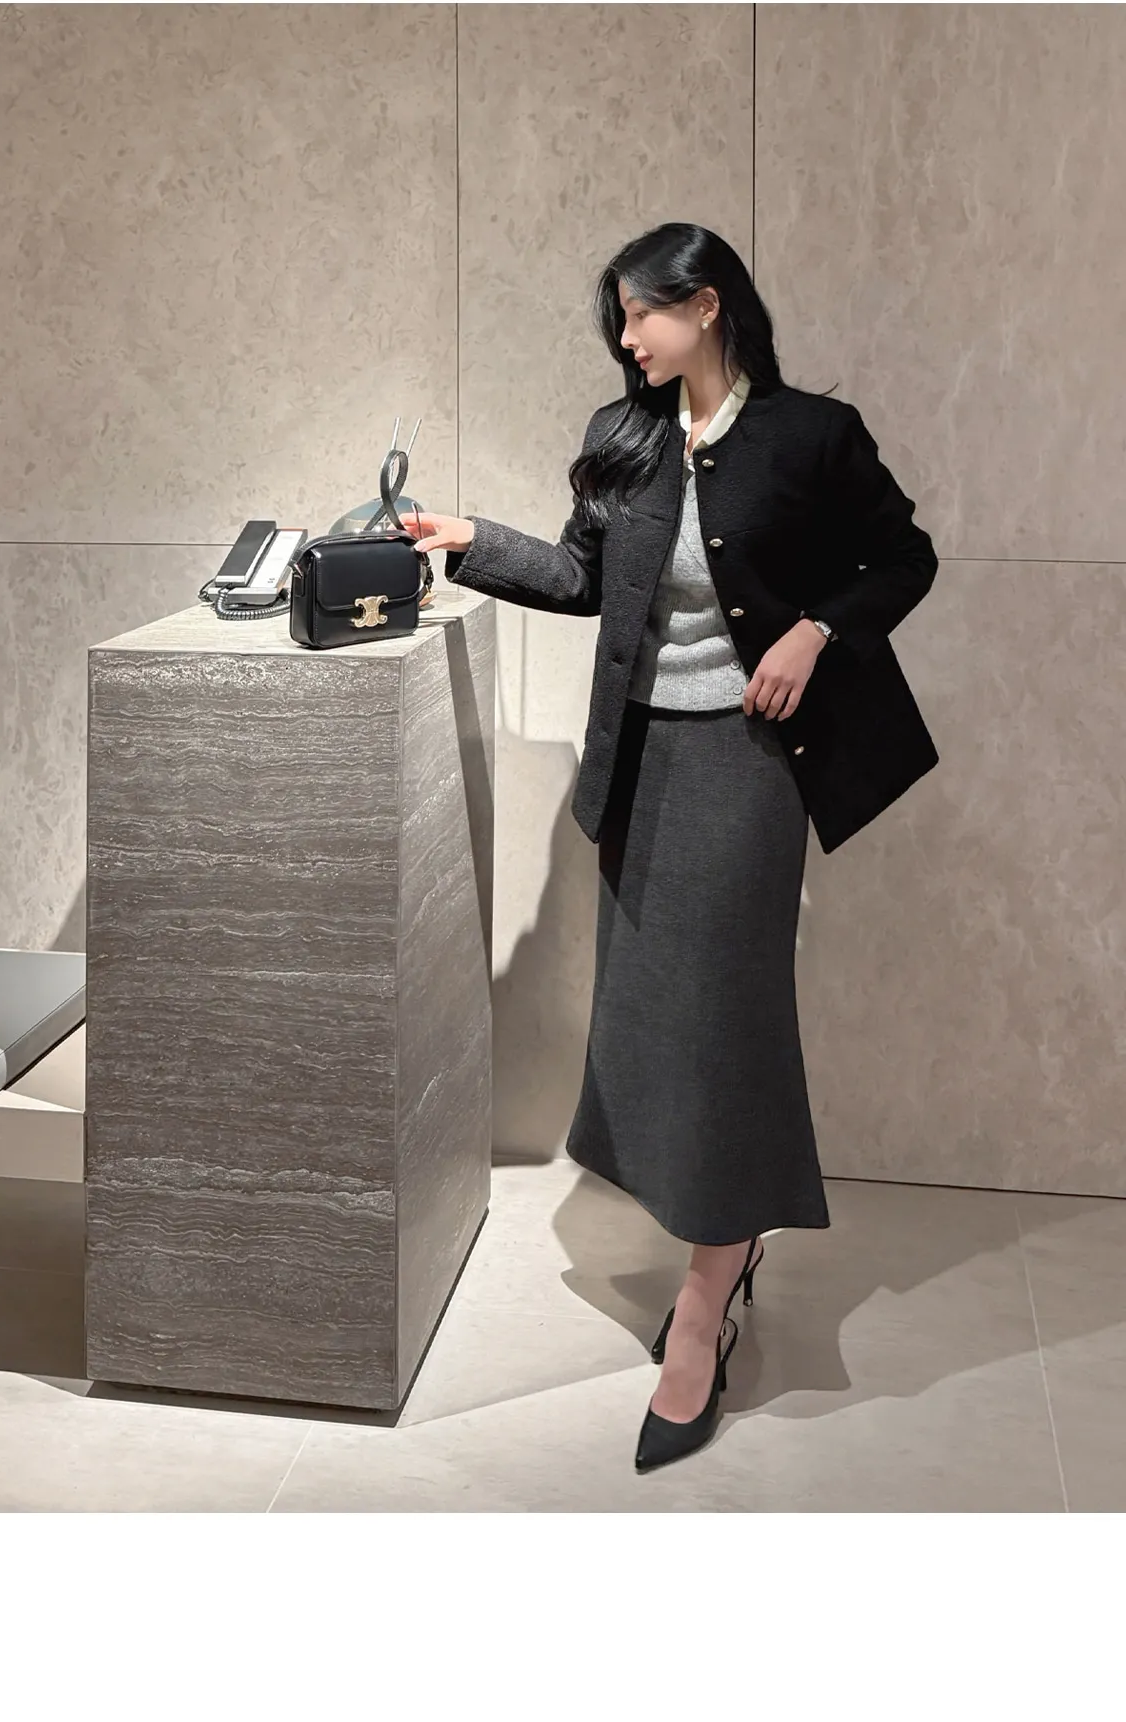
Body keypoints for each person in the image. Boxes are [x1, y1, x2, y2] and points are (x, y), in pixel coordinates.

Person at [401, 222, 938, 1473]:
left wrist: (814, 631)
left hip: (751, 768)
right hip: (641, 766)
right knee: (649, 1022)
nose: (625, 339)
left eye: (639, 315)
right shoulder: (627, 436)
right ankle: (722, 1245)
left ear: (705, 305)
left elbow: (902, 557)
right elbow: (583, 580)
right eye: (621, 321)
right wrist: (471, 541)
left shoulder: (811, 436)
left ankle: (706, 1297)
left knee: (727, 1020)